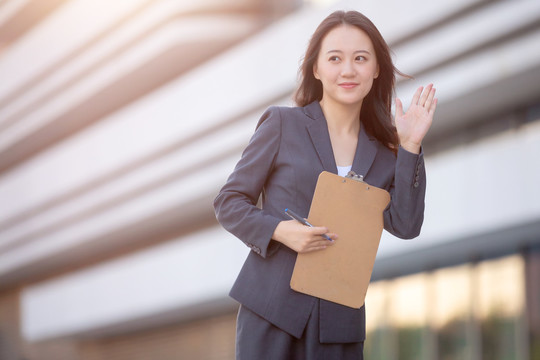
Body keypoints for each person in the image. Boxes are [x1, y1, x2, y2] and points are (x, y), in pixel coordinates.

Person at [213, 10, 437, 360]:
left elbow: (406, 226)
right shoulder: (282, 125)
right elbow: (229, 202)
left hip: (338, 328)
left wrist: (409, 146)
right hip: (271, 316)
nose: (348, 70)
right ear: (316, 68)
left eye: (360, 59)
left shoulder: (385, 153)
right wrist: (281, 231)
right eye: (335, 58)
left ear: (376, 69)